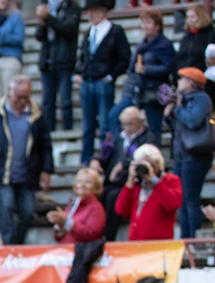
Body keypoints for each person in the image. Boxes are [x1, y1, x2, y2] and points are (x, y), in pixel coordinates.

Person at [0, 75, 53, 245]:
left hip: (28, 172)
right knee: (6, 206)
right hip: (5, 171)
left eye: (26, 97)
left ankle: (18, 243)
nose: (22, 101)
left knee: (27, 212)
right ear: (10, 91)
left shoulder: (37, 113)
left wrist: (46, 170)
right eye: (19, 96)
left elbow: (45, 144)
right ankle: (8, 244)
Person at [75, 0, 129, 165]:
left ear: (103, 11)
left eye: (94, 11)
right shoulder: (88, 33)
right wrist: (79, 73)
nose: (91, 14)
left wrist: (111, 76)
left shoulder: (115, 31)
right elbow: (83, 57)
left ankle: (107, 159)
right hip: (88, 81)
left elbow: (125, 58)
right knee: (87, 125)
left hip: (103, 81)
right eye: (90, 11)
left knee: (105, 124)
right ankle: (86, 159)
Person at [90, 105, 156, 240]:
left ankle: (109, 237)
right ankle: (94, 233)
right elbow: (106, 156)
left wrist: (123, 164)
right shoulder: (119, 138)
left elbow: (147, 158)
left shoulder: (148, 138)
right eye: (124, 124)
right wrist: (95, 160)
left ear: (140, 122)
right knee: (97, 194)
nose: (127, 128)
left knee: (113, 197)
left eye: (130, 124)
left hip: (132, 182)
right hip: (113, 181)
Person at [109, 10, 174, 139]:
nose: (144, 26)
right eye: (143, 22)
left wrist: (146, 69)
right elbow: (132, 71)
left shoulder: (165, 45)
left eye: (148, 23)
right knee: (114, 115)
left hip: (153, 94)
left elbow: (168, 68)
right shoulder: (141, 46)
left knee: (154, 130)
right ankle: (123, 148)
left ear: (157, 26)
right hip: (136, 92)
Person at [166, 67, 214, 239]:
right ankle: (185, 238)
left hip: (196, 155)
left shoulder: (202, 98)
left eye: (182, 79)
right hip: (181, 155)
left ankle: (193, 238)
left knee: (191, 199)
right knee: (182, 200)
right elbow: (178, 127)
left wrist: (178, 109)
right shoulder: (183, 100)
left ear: (191, 82)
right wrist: (169, 114)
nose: (179, 82)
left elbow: (193, 121)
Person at [35, 0, 80, 134]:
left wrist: (48, 18)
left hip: (64, 59)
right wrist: (42, 22)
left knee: (66, 101)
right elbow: (39, 35)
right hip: (47, 59)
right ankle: (49, 133)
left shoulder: (72, 7)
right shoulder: (44, 4)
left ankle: (68, 132)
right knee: (48, 101)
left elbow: (68, 29)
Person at [115, 144, 181, 240]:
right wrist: (130, 180)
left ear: (157, 163)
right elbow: (121, 210)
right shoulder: (137, 184)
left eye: (148, 163)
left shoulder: (171, 180)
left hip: (159, 243)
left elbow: (173, 204)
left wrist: (155, 181)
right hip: (136, 242)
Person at [48, 167, 105, 244]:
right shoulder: (72, 206)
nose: (82, 185)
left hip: (82, 250)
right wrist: (59, 225)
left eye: (87, 182)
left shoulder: (96, 207)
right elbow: (57, 237)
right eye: (79, 181)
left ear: (95, 186)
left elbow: (91, 233)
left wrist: (67, 222)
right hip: (65, 249)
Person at [177, 5, 215, 73]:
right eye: (187, 17)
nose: (189, 20)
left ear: (201, 17)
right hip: (184, 75)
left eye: (192, 17)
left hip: (203, 75)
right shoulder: (186, 37)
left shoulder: (211, 35)